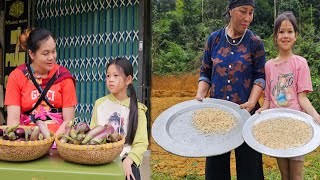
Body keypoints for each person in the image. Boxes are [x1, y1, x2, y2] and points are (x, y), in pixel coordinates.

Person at [195, 0, 265, 179]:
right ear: (231, 10)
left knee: (250, 170)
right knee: (216, 169)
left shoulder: (255, 42)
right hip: (217, 116)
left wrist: (251, 102)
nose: (248, 18)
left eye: (251, 12)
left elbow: (260, 77)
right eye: (243, 11)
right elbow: (205, 72)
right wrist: (200, 94)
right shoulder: (214, 39)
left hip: (246, 114)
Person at [257, 11, 320, 180]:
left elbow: (302, 98)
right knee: (284, 175)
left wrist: (315, 115)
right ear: (275, 36)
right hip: (277, 126)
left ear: (296, 36)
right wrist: (262, 112)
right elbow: (268, 98)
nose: (286, 36)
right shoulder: (269, 66)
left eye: (290, 31)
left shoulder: (300, 63)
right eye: (281, 32)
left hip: (297, 126)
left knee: (296, 176)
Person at [5, 28, 77, 135]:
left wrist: (53, 141)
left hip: (58, 140)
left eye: (53, 51)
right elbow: (13, 121)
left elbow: (68, 121)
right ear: (32, 54)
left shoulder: (64, 76)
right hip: (26, 139)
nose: (51, 57)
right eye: (45, 53)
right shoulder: (17, 76)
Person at [90, 58, 148, 180]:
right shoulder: (99, 104)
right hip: (100, 157)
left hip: (125, 158)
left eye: (116, 75)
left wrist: (129, 160)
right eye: (108, 75)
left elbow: (141, 143)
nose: (110, 79)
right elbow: (91, 134)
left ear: (129, 80)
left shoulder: (138, 109)